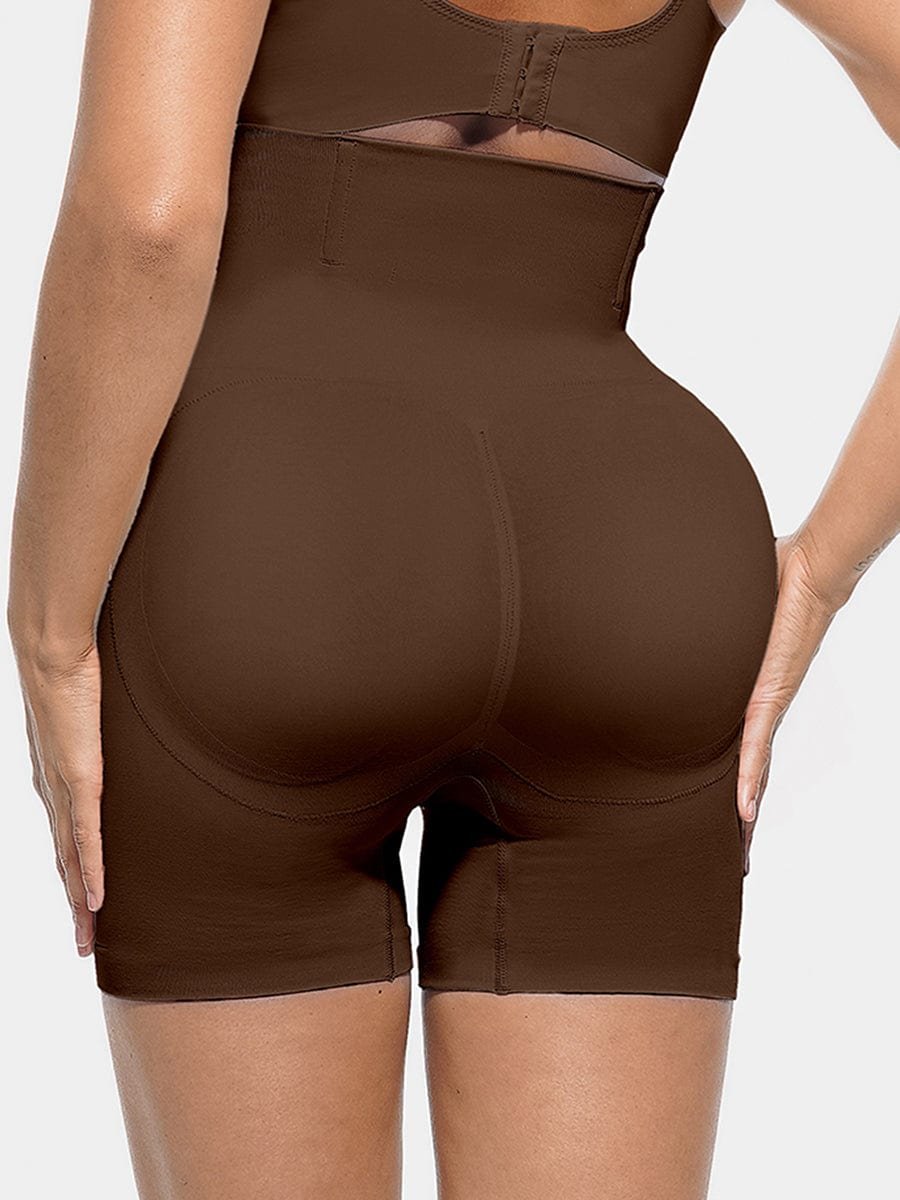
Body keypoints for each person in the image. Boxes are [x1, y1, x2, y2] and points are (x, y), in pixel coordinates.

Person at [8, 1, 898, 1197]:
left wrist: (49, 627)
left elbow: (147, 218)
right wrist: (825, 564)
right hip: (632, 543)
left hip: (281, 535)